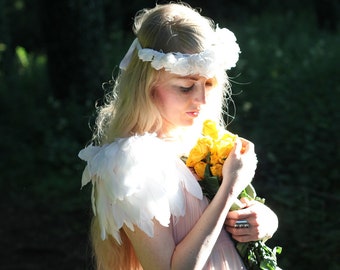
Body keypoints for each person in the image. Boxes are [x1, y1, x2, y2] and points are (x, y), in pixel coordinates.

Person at [79, 3, 278, 270]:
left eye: (209, 83)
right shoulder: (130, 164)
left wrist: (262, 222)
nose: (202, 99)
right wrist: (230, 187)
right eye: (185, 88)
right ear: (147, 87)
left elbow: (226, 232)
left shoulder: (203, 139)